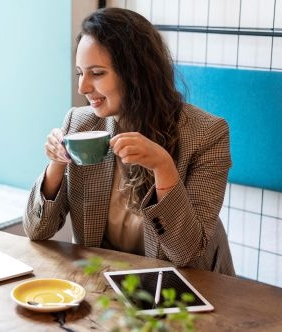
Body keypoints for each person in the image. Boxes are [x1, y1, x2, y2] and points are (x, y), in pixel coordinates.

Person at [23, 7, 235, 276]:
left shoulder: (207, 134)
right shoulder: (79, 124)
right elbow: (36, 230)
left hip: (187, 290)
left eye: (97, 73)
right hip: (105, 286)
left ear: (137, 74)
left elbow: (186, 252)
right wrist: (55, 164)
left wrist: (163, 166)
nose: (82, 87)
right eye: (80, 73)